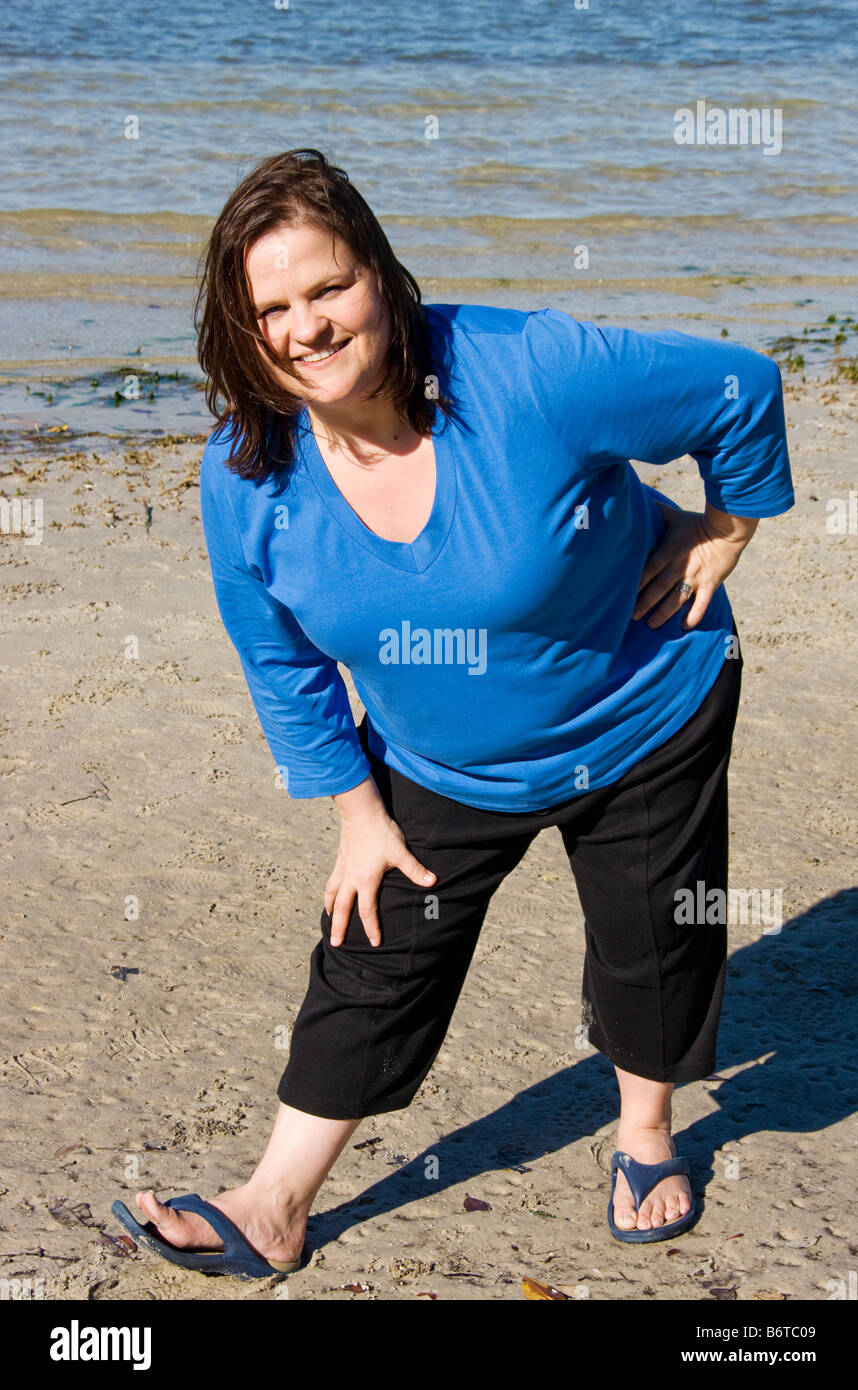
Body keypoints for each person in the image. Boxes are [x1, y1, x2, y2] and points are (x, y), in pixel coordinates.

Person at [112, 148, 794, 1275]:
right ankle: (275, 1202)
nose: (307, 327)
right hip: (442, 757)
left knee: (652, 932)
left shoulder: (527, 370)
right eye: (272, 308)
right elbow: (274, 655)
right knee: (370, 941)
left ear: (378, 274)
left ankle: (642, 1136)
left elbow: (739, 388)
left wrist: (727, 525)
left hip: (640, 706)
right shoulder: (246, 474)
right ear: (241, 329)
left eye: (328, 287)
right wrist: (351, 808)